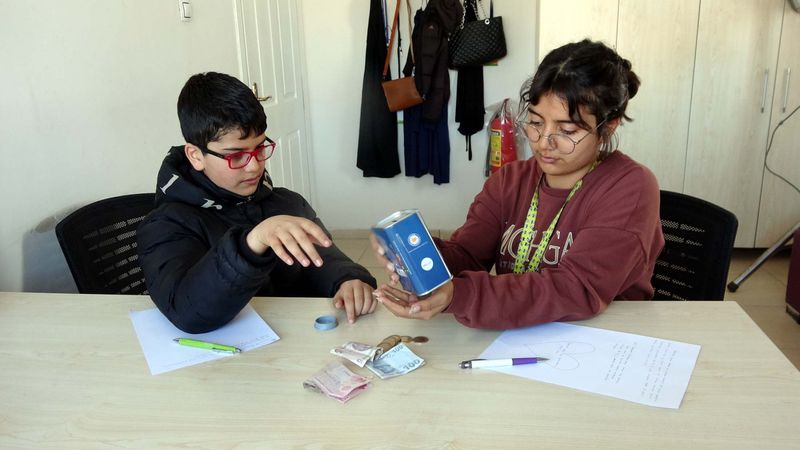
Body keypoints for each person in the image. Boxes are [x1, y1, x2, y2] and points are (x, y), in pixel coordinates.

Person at [371, 40, 665, 329]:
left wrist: (462, 294)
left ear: (607, 127)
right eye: (536, 123)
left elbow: (577, 289)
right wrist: (419, 255)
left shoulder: (631, 187)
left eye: (567, 130)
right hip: (522, 333)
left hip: (605, 339)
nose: (544, 142)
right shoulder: (510, 180)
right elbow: (469, 256)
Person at [138, 72, 377, 333]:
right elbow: (187, 313)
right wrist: (252, 242)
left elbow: (323, 258)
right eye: (236, 156)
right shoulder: (167, 223)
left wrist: (347, 279)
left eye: (260, 149)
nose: (254, 167)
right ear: (196, 156)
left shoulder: (286, 204)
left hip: (293, 344)